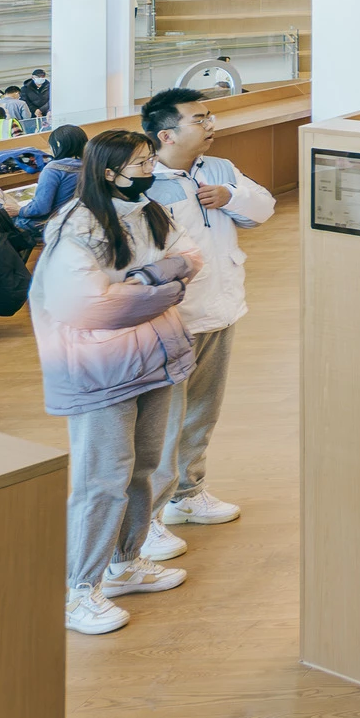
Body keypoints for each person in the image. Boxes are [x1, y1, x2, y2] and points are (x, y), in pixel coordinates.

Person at [32, 131, 199, 636]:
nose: (151, 169)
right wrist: (165, 287)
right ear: (110, 172)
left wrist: (144, 282)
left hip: (154, 358)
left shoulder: (148, 209)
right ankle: (79, 591)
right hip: (98, 371)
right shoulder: (75, 226)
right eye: (143, 162)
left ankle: (125, 564)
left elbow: (191, 256)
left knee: (143, 468)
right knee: (101, 479)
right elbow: (90, 308)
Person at [140, 87, 275, 538]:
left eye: (210, 115)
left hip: (221, 307)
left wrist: (230, 195)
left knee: (202, 410)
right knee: (163, 420)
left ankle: (187, 494)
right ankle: (149, 518)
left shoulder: (219, 168)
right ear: (166, 134)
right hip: (171, 319)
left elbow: (264, 208)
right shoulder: (141, 180)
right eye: (200, 119)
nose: (211, 124)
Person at [17, 125, 92, 239]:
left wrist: (19, 210)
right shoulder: (91, 165)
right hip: (84, 220)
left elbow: (41, 208)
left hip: (54, 223)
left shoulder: (53, 169)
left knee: (5, 219)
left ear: (57, 145)